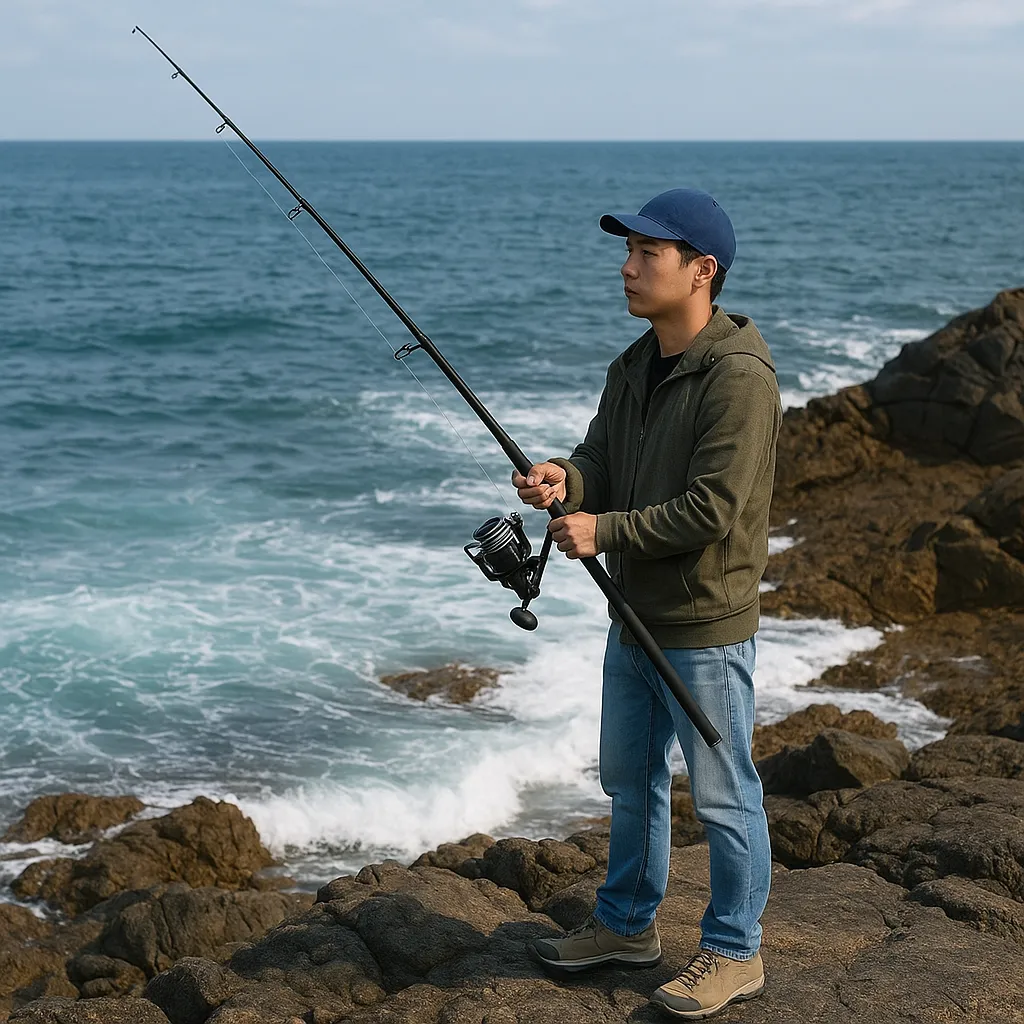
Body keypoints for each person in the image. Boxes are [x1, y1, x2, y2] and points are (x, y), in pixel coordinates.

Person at [514, 188, 781, 1019]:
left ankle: (736, 951)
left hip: (701, 624)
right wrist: (569, 478)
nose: (627, 269)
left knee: (725, 791)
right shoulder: (633, 363)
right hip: (630, 616)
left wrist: (605, 531)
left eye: (647, 255)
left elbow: (714, 510)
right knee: (631, 783)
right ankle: (627, 926)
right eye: (626, 253)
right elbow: (603, 456)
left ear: (701, 272)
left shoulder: (739, 379)